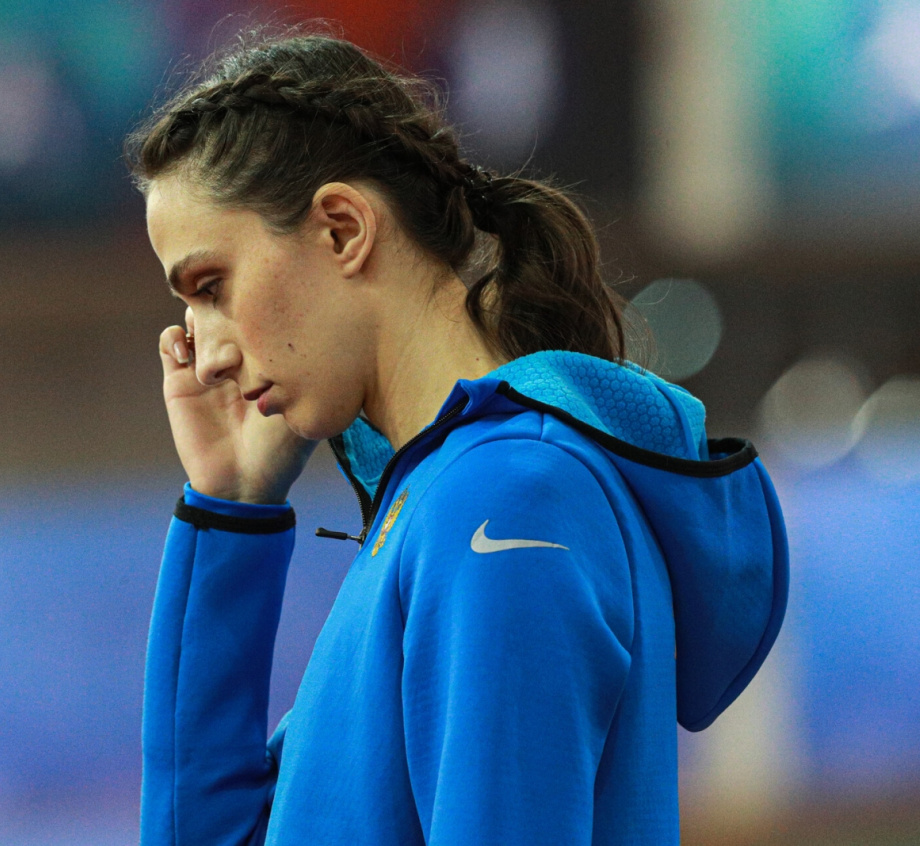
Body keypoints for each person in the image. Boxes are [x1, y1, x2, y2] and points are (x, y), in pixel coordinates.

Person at [128, 27, 788, 845]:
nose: (208, 355)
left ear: (342, 229)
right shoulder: (440, 499)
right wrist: (230, 505)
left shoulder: (506, 497)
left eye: (211, 285)